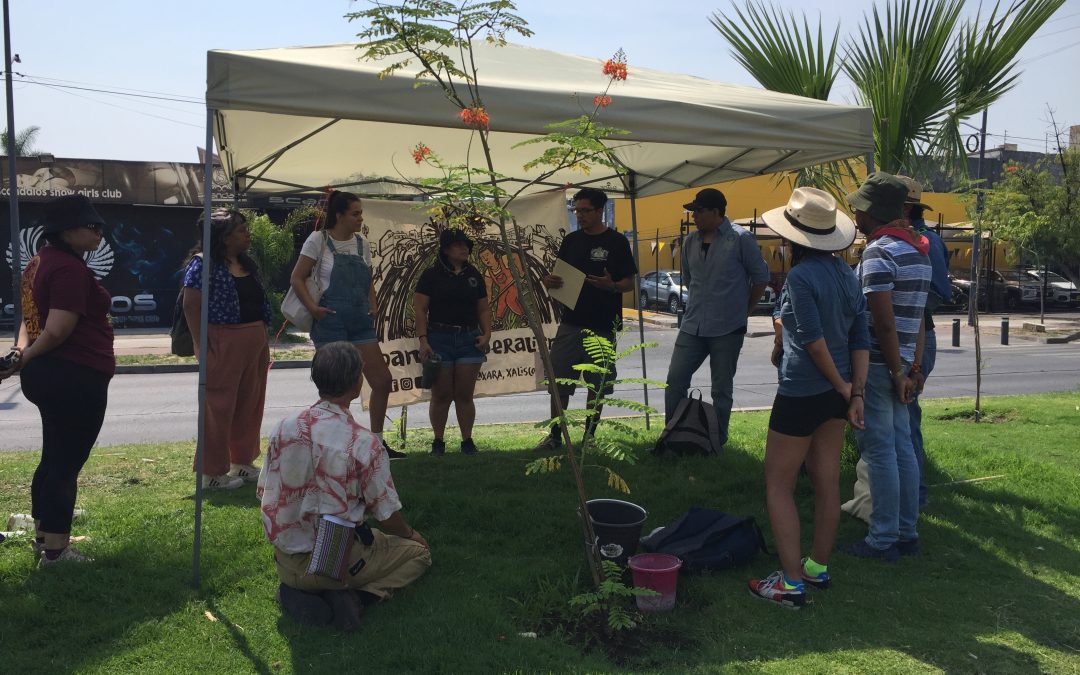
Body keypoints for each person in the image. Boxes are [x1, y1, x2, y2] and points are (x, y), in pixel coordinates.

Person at [744, 188, 869, 609]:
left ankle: (791, 584)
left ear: (793, 236)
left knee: (777, 485)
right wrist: (855, 392)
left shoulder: (800, 277)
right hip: (838, 394)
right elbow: (859, 338)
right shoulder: (847, 274)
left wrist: (840, 386)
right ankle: (816, 566)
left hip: (802, 391)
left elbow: (814, 342)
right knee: (827, 482)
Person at [258, 342, 431, 630]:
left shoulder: (283, 429)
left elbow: (265, 492)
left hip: (286, 561)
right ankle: (358, 599)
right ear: (356, 382)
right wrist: (413, 535)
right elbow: (388, 516)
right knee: (419, 555)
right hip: (334, 565)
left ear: (316, 379)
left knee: (364, 535)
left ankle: (296, 591)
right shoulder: (365, 444)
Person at [0, 194, 114, 566]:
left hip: (50, 374)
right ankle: (56, 551)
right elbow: (58, 329)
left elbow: (29, 321)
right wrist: (26, 356)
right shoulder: (67, 269)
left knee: (53, 459)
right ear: (66, 231)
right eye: (91, 226)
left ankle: (43, 539)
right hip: (74, 374)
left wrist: (19, 354)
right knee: (65, 465)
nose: (99, 231)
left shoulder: (37, 263)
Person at [837, 172, 931, 562]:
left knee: (880, 453)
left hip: (879, 366)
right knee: (902, 449)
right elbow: (921, 319)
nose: (854, 212)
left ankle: (882, 539)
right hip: (903, 364)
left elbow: (883, 321)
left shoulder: (880, 251)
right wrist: (913, 368)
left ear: (873, 211)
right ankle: (906, 533)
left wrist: (895, 371)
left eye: (859, 206)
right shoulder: (919, 249)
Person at [289, 191, 404, 459]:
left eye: (361, 213)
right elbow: (297, 278)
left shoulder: (362, 243)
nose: (360, 218)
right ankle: (338, 443)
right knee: (340, 388)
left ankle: (376, 444)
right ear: (339, 215)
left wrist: (373, 303)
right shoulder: (318, 239)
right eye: (355, 213)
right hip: (330, 321)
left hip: (360, 321)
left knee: (382, 381)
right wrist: (314, 309)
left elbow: (368, 279)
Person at [664, 188, 770, 448]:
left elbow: (760, 277)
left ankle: (717, 441)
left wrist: (744, 311)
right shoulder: (690, 241)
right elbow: (689, 280)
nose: (694, 216)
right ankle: (672, 437)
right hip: (692, 325)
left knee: (721, 389)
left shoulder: (740, 239)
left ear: (715, 212)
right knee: (675, 381)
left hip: (728, 328)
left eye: (698, 211)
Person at [535, 188, 637, 451]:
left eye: (585, 210)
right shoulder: (571, 241)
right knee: (559, 381)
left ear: (600, 210)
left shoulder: (617, 242)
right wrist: (550, 281)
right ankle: (556, 435)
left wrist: (611, 285)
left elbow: (628, 284)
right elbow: (558, 276)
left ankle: (589, 437)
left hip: (603, 325)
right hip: (570, 321)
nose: (579, 215)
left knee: (597, 384)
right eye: (576, 210)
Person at [182, 208, 271, 490]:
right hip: (223, 340)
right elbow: (191, 306)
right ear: (223, 237)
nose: (248, 234)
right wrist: (200, 344)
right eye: (241, 230)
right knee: (218, 408)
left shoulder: (246, 263)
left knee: (250, 403)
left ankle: (242, 463)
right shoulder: (203, 264)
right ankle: (211, 474)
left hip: (254, 340)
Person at [414, 229, 492, 456]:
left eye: (466, 245)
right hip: (439, 338)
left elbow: (484, 309)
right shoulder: (430, 275)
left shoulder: (474, 274)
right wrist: (423, 340)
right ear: (446, 249)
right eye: (458, 245)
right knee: (441, 394)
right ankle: (438, 442)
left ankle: (467, 441)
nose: (464, 248)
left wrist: (487, 334)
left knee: (465, 394)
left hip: (469, 338)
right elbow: (420, 310)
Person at [898, 176, 951, 508]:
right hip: (908, 338)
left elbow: (937, 293)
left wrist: (901, 308)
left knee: (906, 420)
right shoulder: (907, 238)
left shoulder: (926, 241)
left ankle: (915, 496)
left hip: (915, 339)